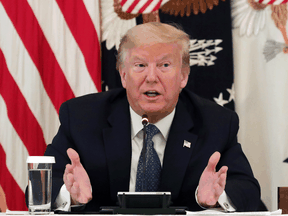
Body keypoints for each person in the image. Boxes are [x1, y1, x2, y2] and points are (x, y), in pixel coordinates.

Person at [41, 22, 260, 212]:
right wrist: (68, 195)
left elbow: (247, 190)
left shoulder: (216, 123)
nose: (152, 77)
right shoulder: (82, 118)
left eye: (165, 65)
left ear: (183, 76)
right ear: (124, 75)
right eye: (140, 65)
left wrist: (217, 199)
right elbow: (41, 188)